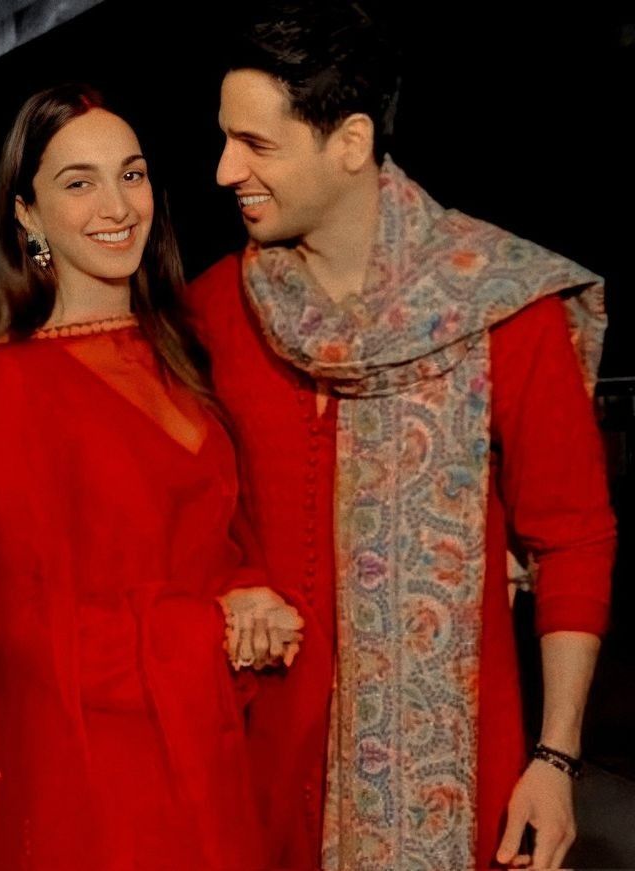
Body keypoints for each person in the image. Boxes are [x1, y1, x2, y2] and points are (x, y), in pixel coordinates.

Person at [187, 3, 617, 869]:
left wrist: (555, 755)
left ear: (349, 142)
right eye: (226, 139)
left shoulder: (501, 304)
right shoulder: (213, 314)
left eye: (256, 144)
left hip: (456, 783)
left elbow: (573, 535)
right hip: (252, 773)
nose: (224, 168)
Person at [0, 82, 303, 871]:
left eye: (131, 175)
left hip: (209, 749)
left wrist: (254, 589)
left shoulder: (180, 348)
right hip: (103, 782)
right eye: (78, 181)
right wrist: (215, 629)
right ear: (26, 214)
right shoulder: (13, 382)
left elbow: (213, 539)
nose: (117, 205)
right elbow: (29, 629)